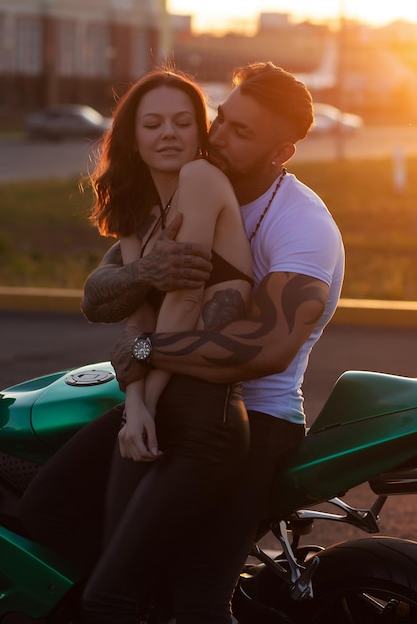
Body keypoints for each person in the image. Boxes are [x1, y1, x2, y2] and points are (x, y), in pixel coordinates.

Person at [22, 62, 345, 623]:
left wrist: (141, 357)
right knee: (47, 509)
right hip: (168, 394)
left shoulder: (302, 225)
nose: (217, 136)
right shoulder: (183, 184)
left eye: (240, 133)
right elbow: (103, 294)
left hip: (255, 415)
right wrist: (141, 288)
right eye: (222, 119)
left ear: (282, 152)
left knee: (199, 595)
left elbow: (267, 348)